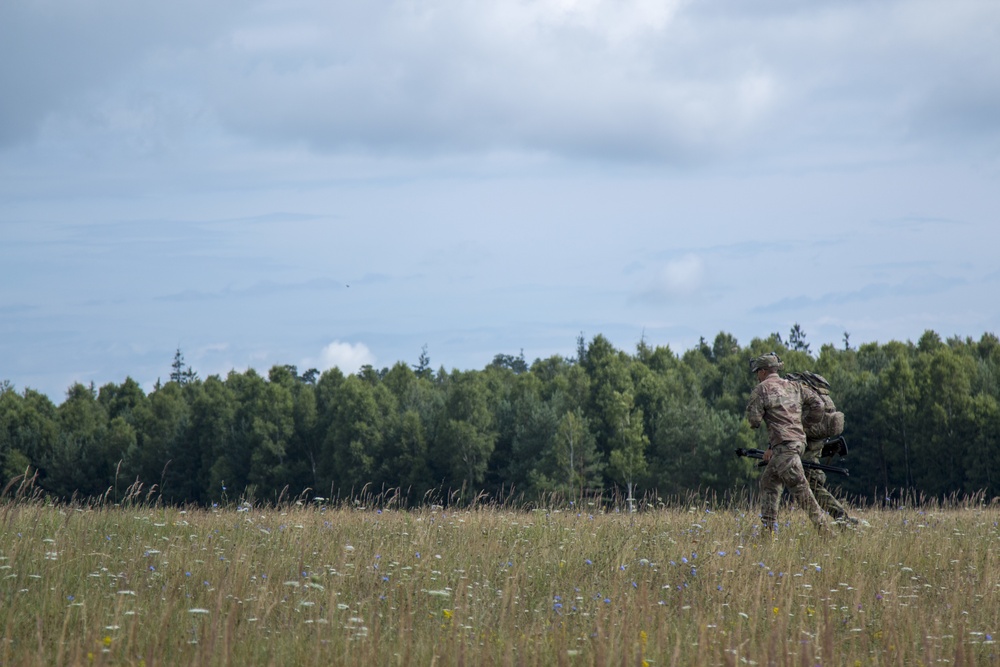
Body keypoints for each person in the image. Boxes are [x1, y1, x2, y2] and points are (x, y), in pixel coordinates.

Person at [745, 353, 830, 534]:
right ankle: (768, 531)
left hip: (785, 448)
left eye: (757, 372)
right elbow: (818, 405)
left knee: (801, 490)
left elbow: (754, 421)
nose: (756, 376)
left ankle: (826, 532)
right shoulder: (794, 386)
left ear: (762, 371)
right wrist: (802, 424)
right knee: (769, 482)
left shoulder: (762, 389)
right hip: (797, 443)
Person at [785, 371, 859, 526]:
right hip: (816, 441)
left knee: (811, 485)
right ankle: (840, 518)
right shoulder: (814, 393)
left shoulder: (800, 393)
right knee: (811, 483)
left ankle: (841, 518)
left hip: (808, 443)